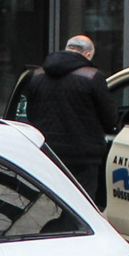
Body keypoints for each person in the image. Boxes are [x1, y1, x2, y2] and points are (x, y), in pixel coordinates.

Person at [16, 33, 115, 206]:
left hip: (48, 153)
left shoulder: (37, 76)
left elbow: (31, 115)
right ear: (87, 55)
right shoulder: (92, 76)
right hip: (83, 157)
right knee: (83, 207)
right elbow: (110, 119)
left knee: (54, 204)